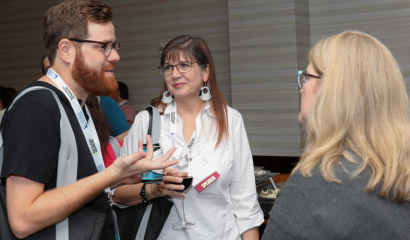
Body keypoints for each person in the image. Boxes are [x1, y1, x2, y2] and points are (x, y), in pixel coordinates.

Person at [0, 1, 177, 239]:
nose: (115, 55)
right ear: (66, 50)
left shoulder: (80, 107)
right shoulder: (37, 108)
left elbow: (75, 187)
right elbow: (23, 218)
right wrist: (111, 175)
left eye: (114, 45)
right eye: (103, 46)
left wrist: (126, 175)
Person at [262, 31, 410, 240]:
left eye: (306, 77)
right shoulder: (398, 174)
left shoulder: (317, 183)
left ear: (329, 92)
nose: (301, 88)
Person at [113, 35, 263, 240]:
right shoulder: (146, 121)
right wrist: (155, 189)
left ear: (205, 72)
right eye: (168, 67)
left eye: (184, 65)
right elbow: (116, 193)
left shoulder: (230, 120)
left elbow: (245, 203)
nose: (175, 74)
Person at [42, 55, 130, 143]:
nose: (58, 74)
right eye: (50, 70)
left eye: (63, 67)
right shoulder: (43, 106)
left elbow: (127, 142)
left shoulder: (102, 101)